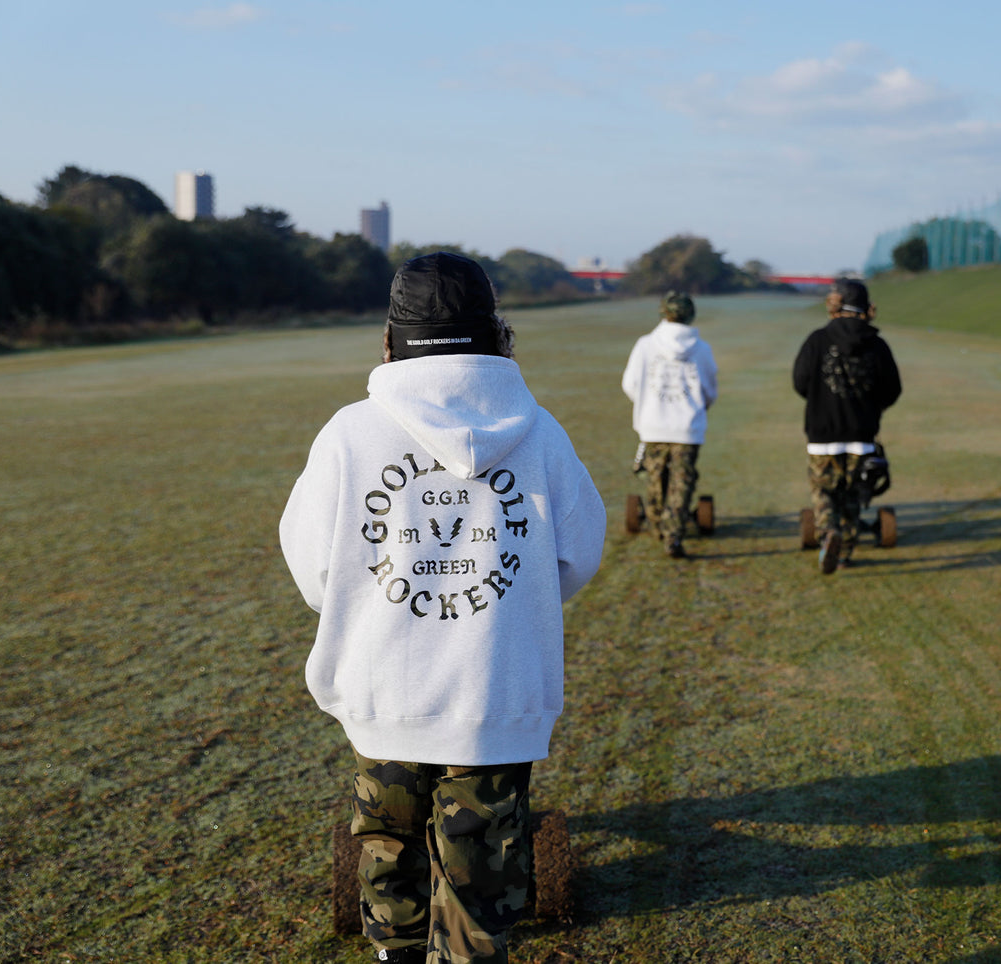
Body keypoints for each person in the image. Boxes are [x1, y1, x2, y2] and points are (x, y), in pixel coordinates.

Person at [279, 252, 606, 964]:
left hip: (381, 686)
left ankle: (394, 949)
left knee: (388, 847)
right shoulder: (540, 433)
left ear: (390, 338)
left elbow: (314, 569)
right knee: (480, 872)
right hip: (494, 690)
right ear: (497, 334)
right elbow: (576, 555)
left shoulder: (349, 434)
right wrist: (508, 607)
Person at [792, 278, 902, 573]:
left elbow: (800, 383)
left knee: (823, 491)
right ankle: (844, 554)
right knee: (853, 493)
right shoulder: (877, 345)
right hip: (862, 434)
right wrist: (871, 408)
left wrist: (821, 398)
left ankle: (829, 532)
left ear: (836, 304)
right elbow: (892, 390)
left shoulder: (817, 340)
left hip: (821, 433)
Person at [621, 290, 718, 559]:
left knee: (656, 477)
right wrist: (697, 408)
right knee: (682, 480)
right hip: (688, 428)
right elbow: (710, 390)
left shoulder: (645, 344)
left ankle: (656, 524)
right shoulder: (701, 348)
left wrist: (647, 405)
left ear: (664, 313)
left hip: (653, 425)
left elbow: (630, 384)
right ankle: (674, 534)